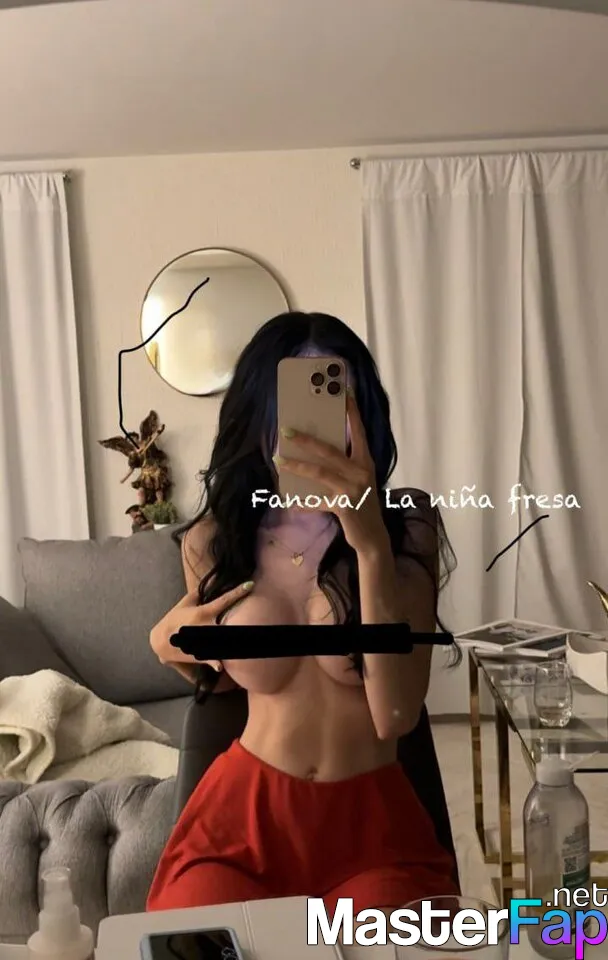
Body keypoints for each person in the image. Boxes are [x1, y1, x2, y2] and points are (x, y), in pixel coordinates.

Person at [146, 311, 459, 920]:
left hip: (372, 831)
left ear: (362, 415)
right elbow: (228, 684)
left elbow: (395, 713)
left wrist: (368, 544)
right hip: (242, 821)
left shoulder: (407, 525)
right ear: (258, 413)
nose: (309, 430)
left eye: (333, 400)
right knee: (196, 939)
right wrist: (171, 648)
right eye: (287, 404)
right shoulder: (215, 539)